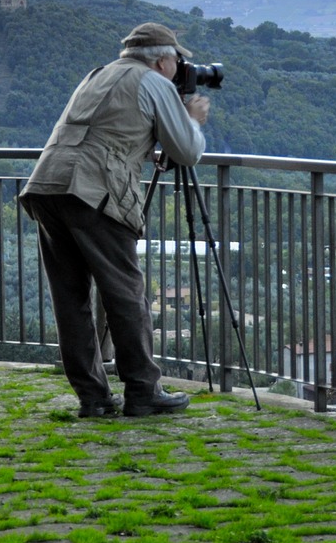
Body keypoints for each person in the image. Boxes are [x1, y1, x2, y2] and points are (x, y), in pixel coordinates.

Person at [19, 22, 210, 418]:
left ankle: (93, 398)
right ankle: (143, 390)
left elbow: (110, 133)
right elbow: (189, 152)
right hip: (92, 191)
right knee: (126, 293)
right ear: (161, 60)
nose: (180, 68)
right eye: (177, 60)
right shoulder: (154, 83)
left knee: (70, 299)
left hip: (48, 184)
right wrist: (190, 118)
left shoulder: (99, 74)